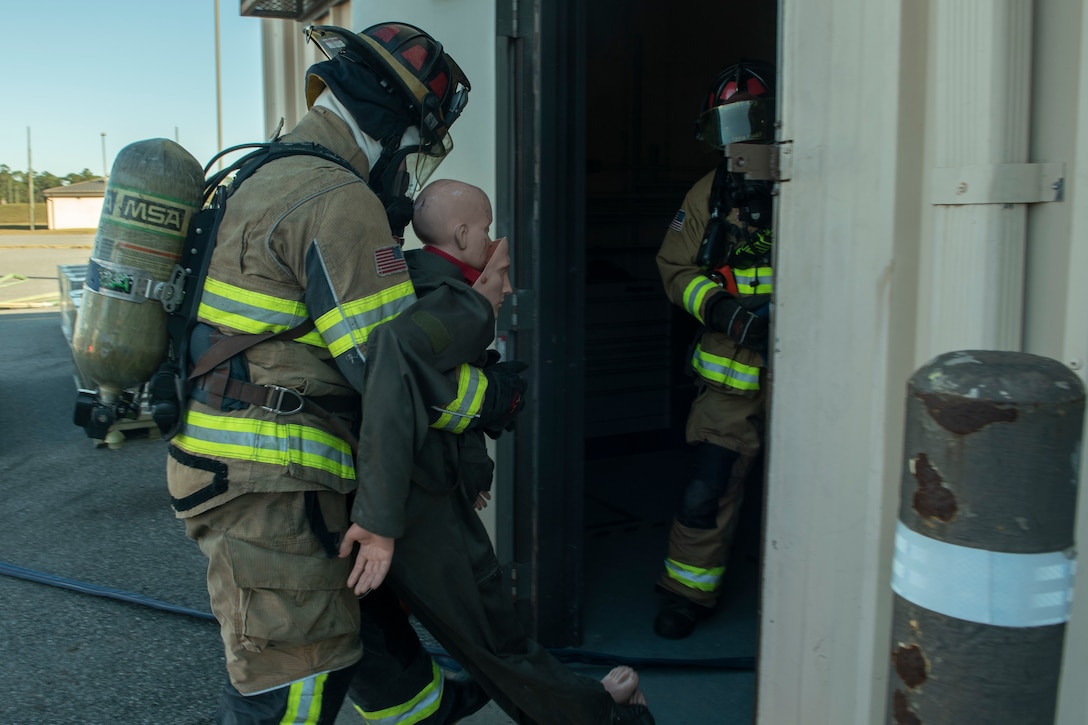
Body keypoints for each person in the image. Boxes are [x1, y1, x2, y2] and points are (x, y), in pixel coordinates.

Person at [165, 22, 526, 723]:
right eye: (415, 148)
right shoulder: (340, 201)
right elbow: (389, 368)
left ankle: (424, 709)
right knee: (296, 680)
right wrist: (489, 399)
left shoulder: (270, 171)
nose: (408, 168)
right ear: (392, 122)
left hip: (250, 465)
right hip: (275, 480)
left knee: (376, 649)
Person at [344, 178, 657, 724]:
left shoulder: (403, 278)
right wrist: (381, 522)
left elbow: (424, 393)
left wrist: (472, 468)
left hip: (373, 488)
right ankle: (608, 715)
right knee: (498, 639)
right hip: (417, 507)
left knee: (374, 639)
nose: (503, 280)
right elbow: (396, 357)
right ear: (464, 234)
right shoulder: (463, 303)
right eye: (486, 230)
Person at [652, 60, 776, 640]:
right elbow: (673, 266)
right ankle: (686, 594)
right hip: (731, 379)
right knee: (707, 488)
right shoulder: (708, 193)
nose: (739, 139)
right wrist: (723, 310)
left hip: (813, 379)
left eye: (749, 122)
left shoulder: (821, 184)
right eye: (728, 125)